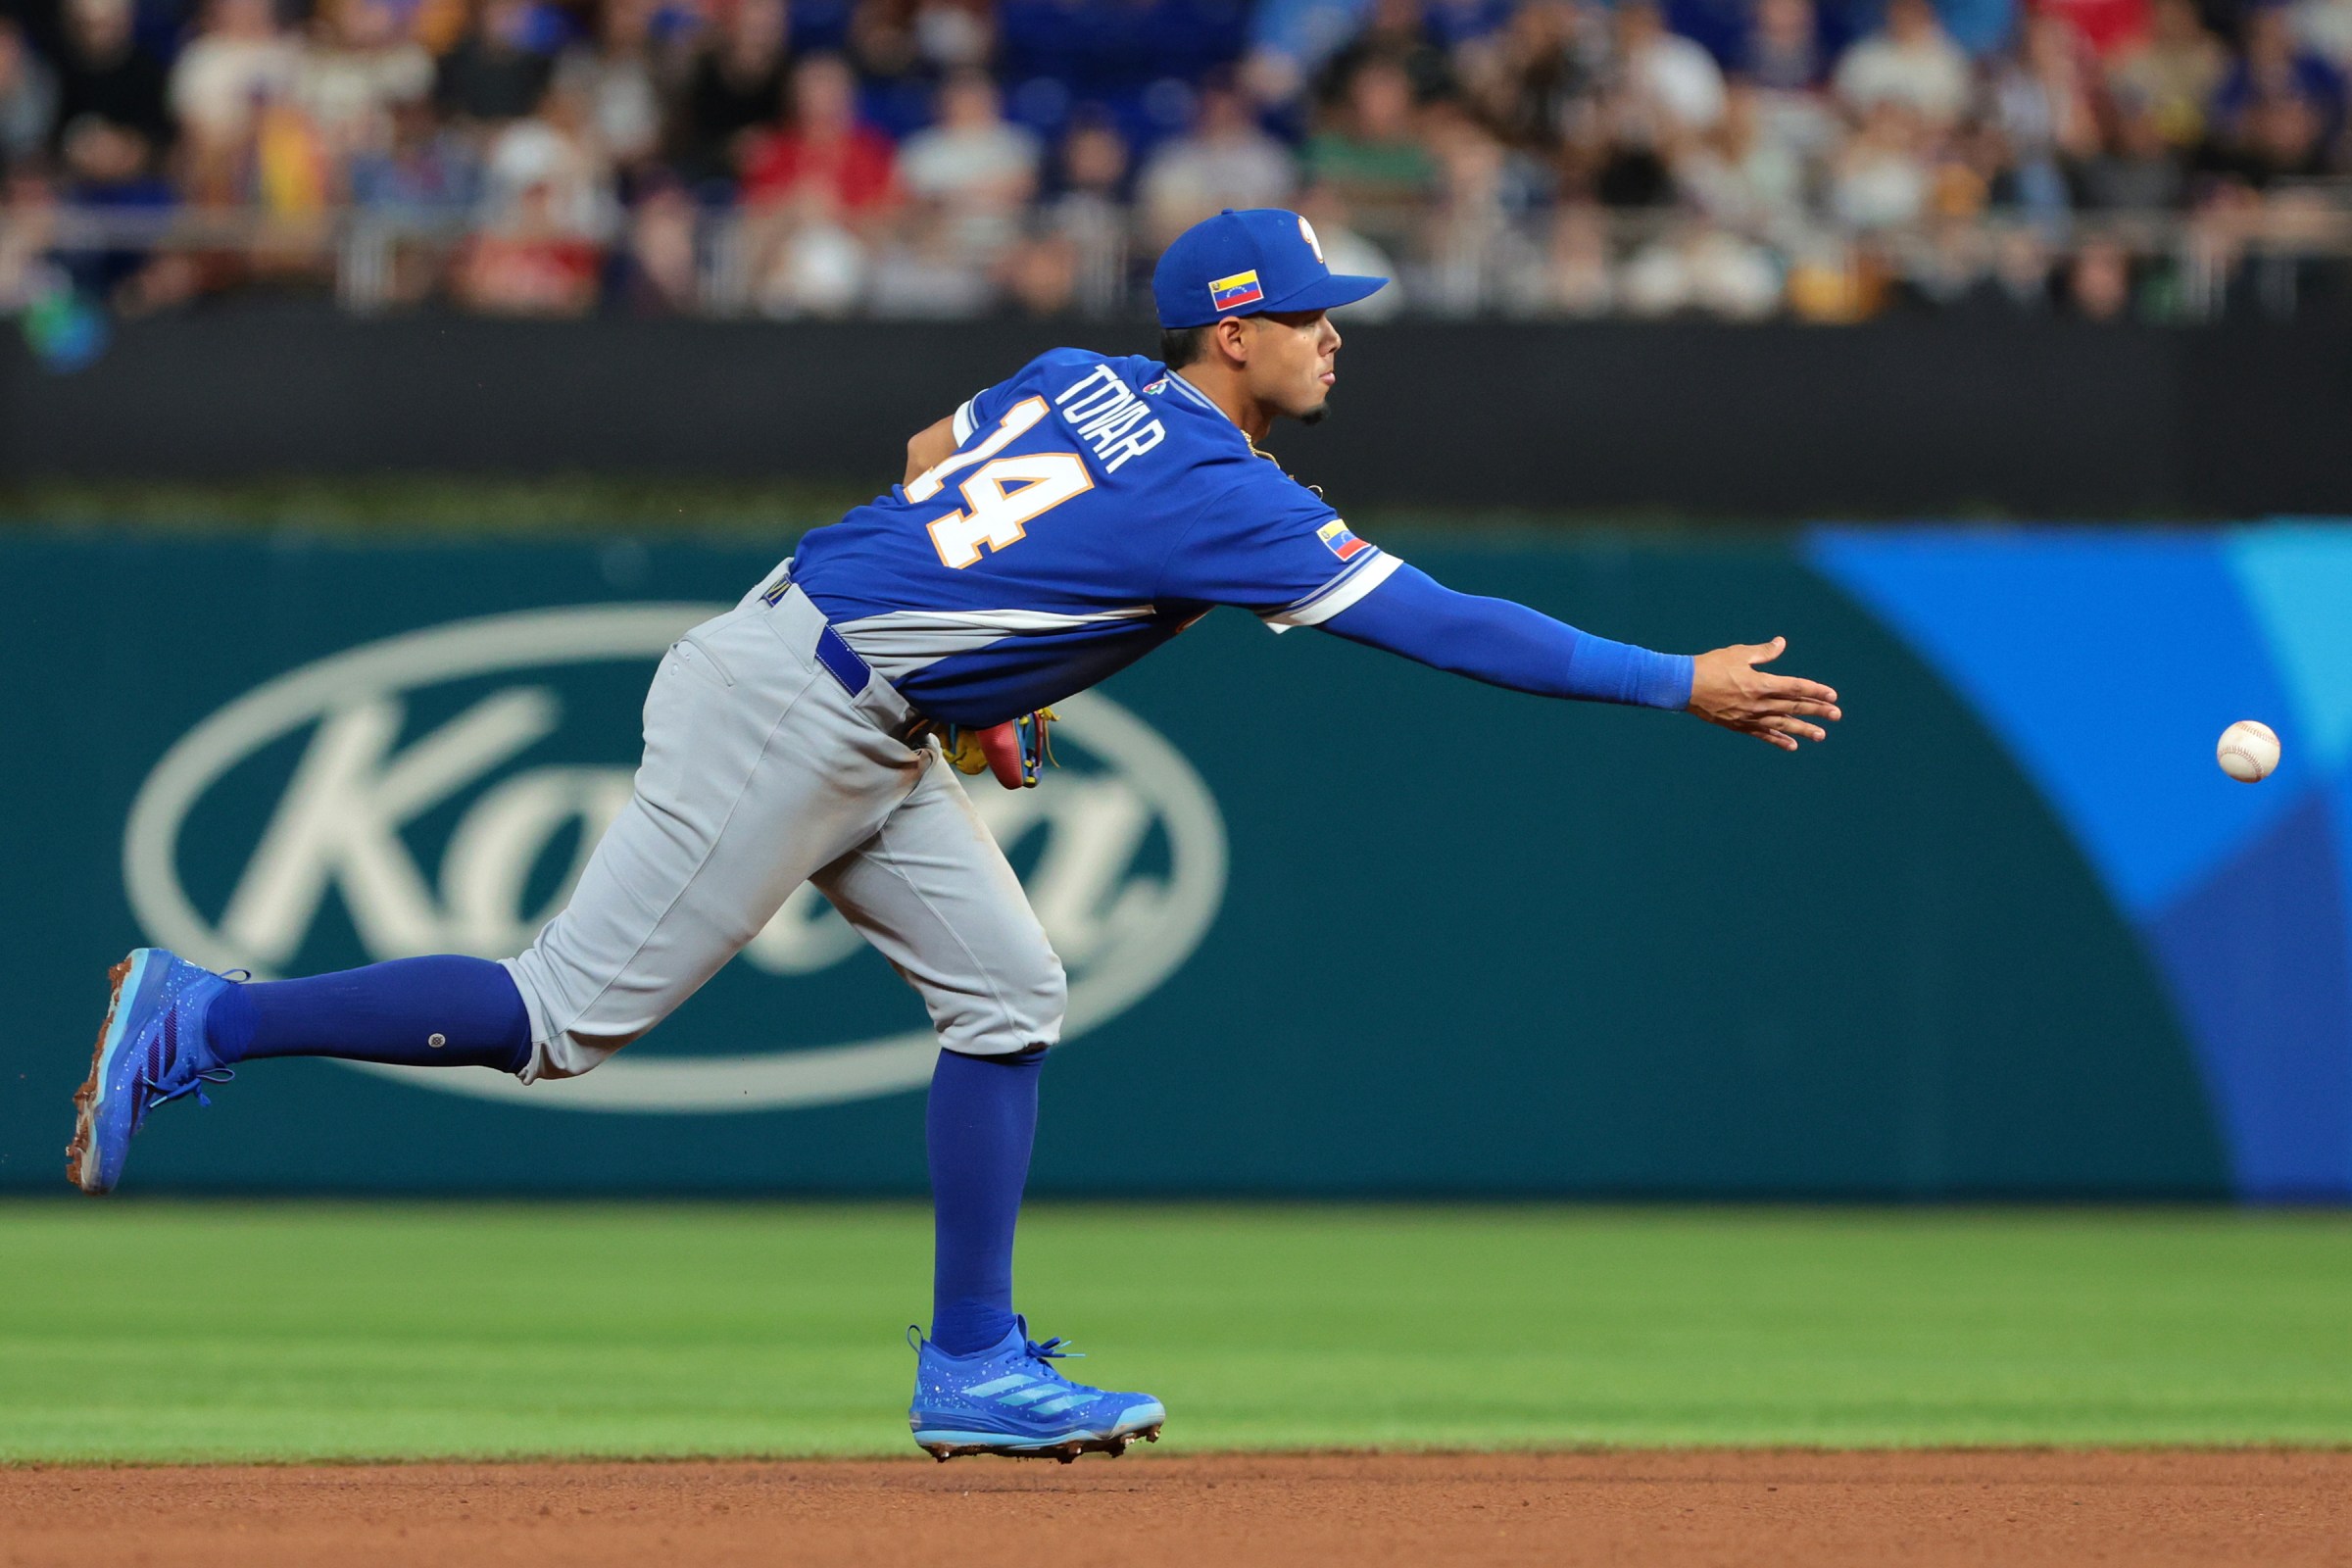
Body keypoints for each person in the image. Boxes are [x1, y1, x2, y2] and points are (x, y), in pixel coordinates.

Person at [66, 207, 1840, 1461]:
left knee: (1010, 987)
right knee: (558, 1020)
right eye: (1308, 310)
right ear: (1231, 329)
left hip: (843, 683)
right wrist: (1669, 676)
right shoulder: (1222, 485)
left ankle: (975, 1368)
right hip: (803, 709)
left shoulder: (1086, 377)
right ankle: (203, 1015)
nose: (1331, 333)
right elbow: (1442, 624)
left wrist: (982, 682)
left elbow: (931, 453)